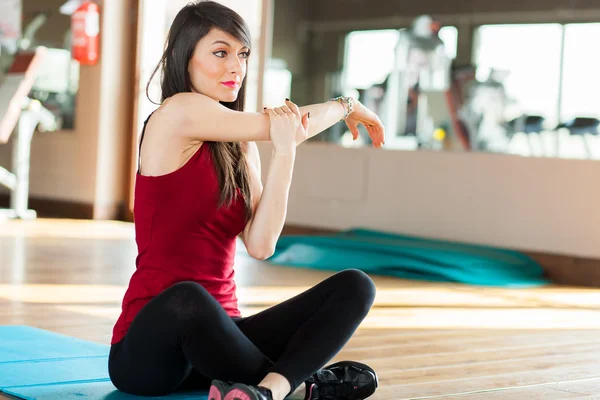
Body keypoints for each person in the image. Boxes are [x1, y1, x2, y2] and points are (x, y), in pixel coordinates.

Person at [108, 2, 386, 400]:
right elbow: (278, 124)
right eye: (220, 53)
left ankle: (269, 390)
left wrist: (286, 154)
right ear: (185, 58)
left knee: (356, 287)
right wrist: (347, 106)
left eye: (242, 54)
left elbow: (261, 245)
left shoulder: (241, 146)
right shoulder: (175, 114)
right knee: (188, 298)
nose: (235, 67)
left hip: (219, 344)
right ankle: (307, 386)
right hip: (149, 354)